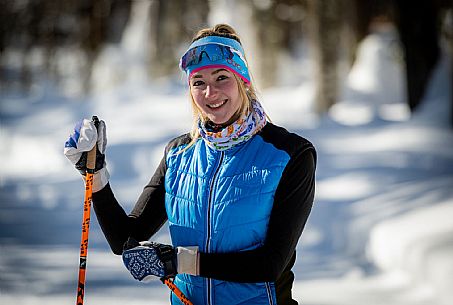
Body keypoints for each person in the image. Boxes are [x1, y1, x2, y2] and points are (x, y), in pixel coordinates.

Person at [64, 24, 316, 305]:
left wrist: (179, 261)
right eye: (198, 82)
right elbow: (125, 239)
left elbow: (270, 265)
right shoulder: (178, 154)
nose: (210, 93)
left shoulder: (289, 154)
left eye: (222, 77)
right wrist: (95, 172)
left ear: (243, 80)